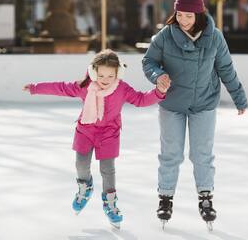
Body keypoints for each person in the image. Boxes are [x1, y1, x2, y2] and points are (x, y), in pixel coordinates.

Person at [23, 49, 167, 228]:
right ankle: (85, 187)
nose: (105, 80)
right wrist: (36, 88)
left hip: (109, 133)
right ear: (93, 72)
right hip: (86, 130)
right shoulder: (85, 86)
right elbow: (60, 88)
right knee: (81, 164)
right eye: (101, 75)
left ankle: (110, 203)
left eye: (110, 76)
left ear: (118, 73)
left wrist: (159, 92)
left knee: (108, 169)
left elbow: (140, 99)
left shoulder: (122, 88)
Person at [142, 0, 248, 230]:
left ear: (199, 14)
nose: (183, 20)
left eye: (189, 16)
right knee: (171, 153)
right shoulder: (166, 36)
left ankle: (205, 197)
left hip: (204, 103)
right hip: (172, 104)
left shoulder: (215, 37)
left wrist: (239, 97)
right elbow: (148, 61)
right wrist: (158, 76)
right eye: (180, 15)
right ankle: (165, 197)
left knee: (202, 154)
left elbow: (226, 70)